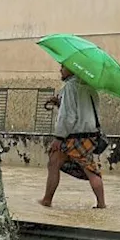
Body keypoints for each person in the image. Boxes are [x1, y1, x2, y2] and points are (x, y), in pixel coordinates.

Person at [40, 65, 107, 209]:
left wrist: (58, 137)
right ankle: (101, 205)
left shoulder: (70, 86)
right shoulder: (90, 87)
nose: (60, 70)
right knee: (61, 162)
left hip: (76, 136)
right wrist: (60, 103)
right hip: (90, 135)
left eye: (63, 67)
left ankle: (47, 200)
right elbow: (83, 110)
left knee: (59, 163)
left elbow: (68, 116)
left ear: (72, 69)